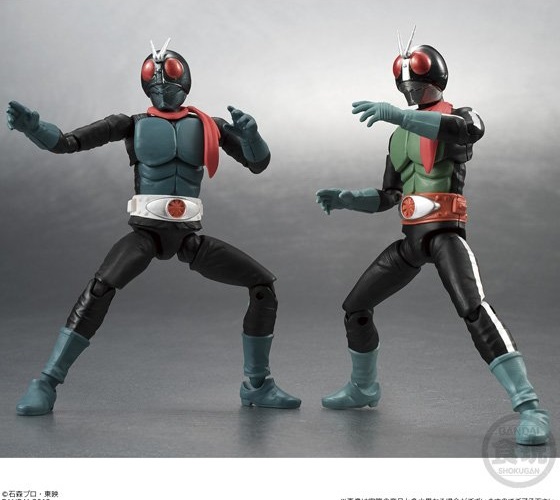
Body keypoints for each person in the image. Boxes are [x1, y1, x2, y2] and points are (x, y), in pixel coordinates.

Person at [8, 39, 301, 415]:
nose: (162, 79)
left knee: (263, 287)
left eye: (170, 71)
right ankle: (46, 382)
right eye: (153, 72)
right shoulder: (130, 125)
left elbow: (257, 163)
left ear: (186, 77)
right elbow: (67, 142)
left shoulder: (209, 126)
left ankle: (257, 386)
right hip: (146, 233)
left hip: (188, 236)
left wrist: (253, 136)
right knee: (99, 289)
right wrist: (34, 129)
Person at [316, 33, 549, 445]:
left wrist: (399, 116)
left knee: (474, 309)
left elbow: (465, 131)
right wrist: (350, 199)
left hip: (445, 235)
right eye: (405, 81)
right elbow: (389, 195)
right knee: (356, 308)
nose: (411, 88)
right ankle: (364, 387)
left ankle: (530, 407)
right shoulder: (398, 136)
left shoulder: (459, 117)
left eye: (418, 79)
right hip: (411, 239)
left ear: (436, 76)